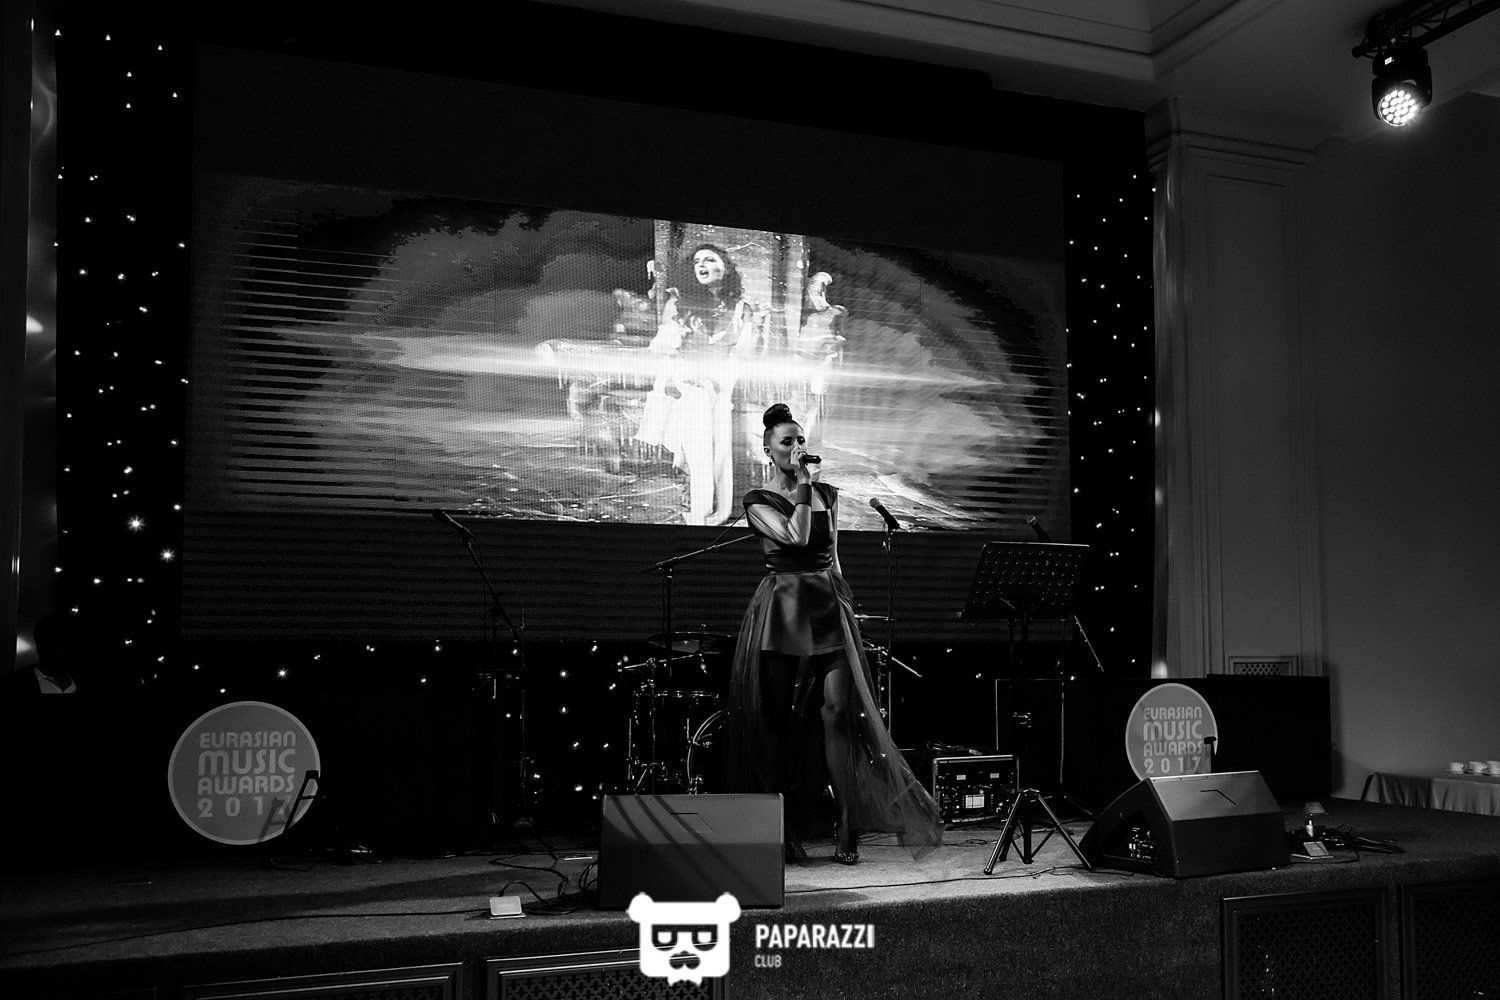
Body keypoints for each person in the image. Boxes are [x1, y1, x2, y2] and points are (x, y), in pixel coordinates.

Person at [724, 402, 943, 864]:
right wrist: (803, 487)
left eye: (801, 440)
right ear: (768, 450)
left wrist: (845, 604)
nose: (797, 448)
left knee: (838, 712)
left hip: (827, 606)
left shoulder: (828, 493)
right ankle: (775, 826)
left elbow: (832, 554)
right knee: (775, 720)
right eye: (787, 442)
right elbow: (797, 537)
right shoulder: (756, 499)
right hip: (783, 607)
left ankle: (847, 822)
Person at [634, 244, 767, 525]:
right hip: (689, 386)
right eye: (696, 261)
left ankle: (717, 512)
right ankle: (697, 514)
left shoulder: (741, 308)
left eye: (709, 260)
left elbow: (744, 353)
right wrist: (678, 372)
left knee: (720, 453)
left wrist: (756, 326)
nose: (701, 265)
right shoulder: (679, 302)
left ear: (725, 268)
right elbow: (663, 348)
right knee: (697, 452)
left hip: (720, 386)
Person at [2, 611, 84, 697]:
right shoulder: (14, 684)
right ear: (41, 644)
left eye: (75, 644)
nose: (70, 650)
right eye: (62, 642)